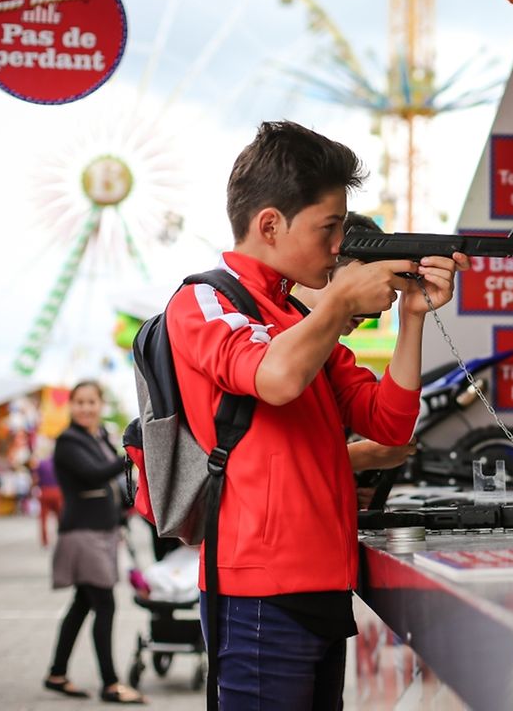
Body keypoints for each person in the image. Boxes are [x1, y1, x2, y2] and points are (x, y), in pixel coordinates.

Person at [166, 120, 467, 708]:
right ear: (270, 224)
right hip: (257, 594)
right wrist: (338, 302)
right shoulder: (204, 300)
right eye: (329, 228)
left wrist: (412, 317)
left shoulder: (301, 323)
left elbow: (388, 423)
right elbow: (274, 377)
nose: (339, 247)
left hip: (324, 585)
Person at [290, 211, 418, 508]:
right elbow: (263, 460)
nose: (371, 304)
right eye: (365, 281)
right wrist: (360, 457)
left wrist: (412, 315)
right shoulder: (261, 333)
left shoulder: (332, 355)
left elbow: (391, 425)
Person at [43, 381, 145, 705]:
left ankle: (57, 673)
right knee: (104, 604)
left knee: (82, 604)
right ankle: (111, 684)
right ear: (71, 406)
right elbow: (95, 474)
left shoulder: (96, 436)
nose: (86, 408)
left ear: (101, 405)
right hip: (83, 533)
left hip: (100, 532)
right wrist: (130, 451)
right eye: (80, 402)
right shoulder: (68, 441)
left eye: (92, 402)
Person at [32, 453, 63, 547]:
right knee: (60, 517)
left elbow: (35, 477)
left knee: (43, 518)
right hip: (57, 491)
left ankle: (45, 540)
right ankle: (62, 538)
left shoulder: (41, 463)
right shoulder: (59, 464)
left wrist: (35, 488)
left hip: (45, 491)